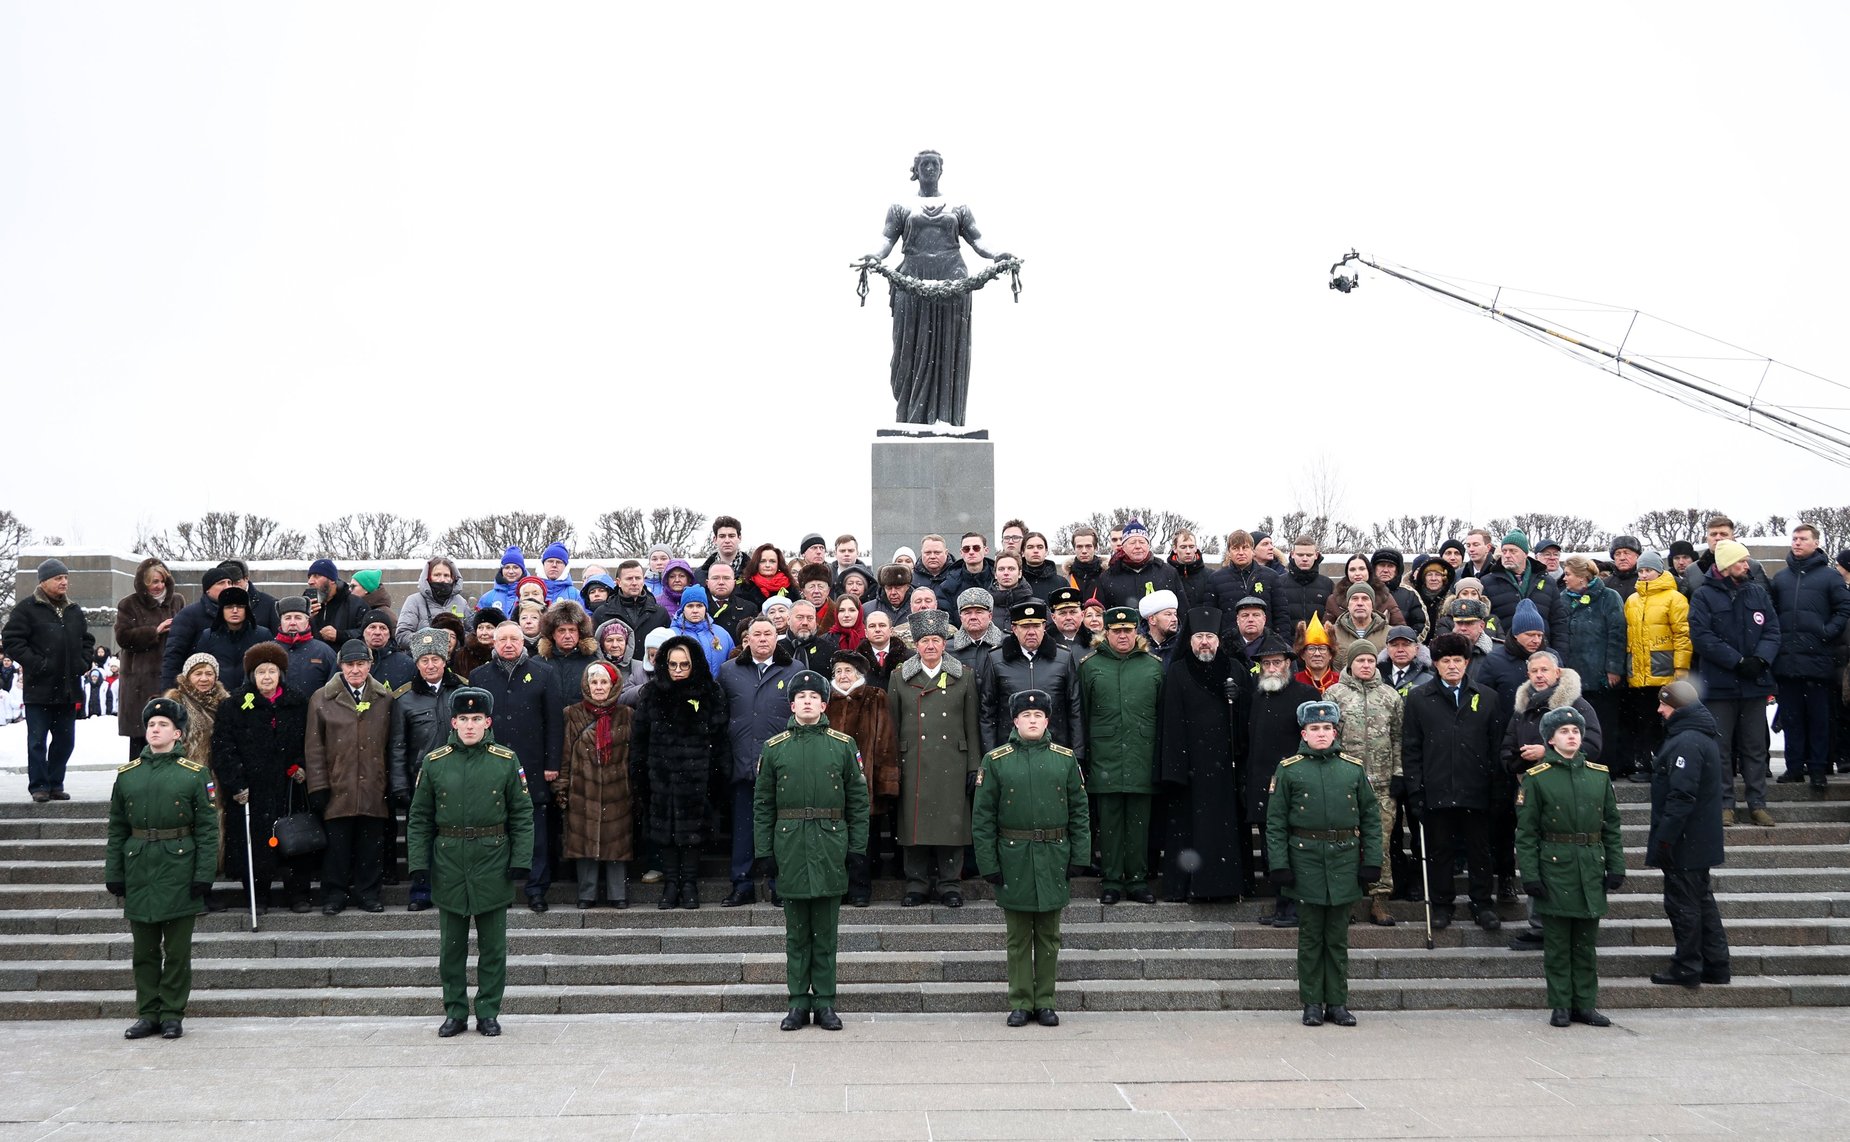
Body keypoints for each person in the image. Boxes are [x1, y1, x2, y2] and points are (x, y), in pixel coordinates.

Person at [406, 686, 535, 1038]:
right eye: (463, 719)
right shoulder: (435, 762)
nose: (470, 726)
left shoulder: (505, 760)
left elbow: (522, 814)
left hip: (493, 859)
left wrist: (521, 859)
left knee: (493, 947)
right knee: (451, 949)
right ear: (453, 722)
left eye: (476, 719)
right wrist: (419, 863)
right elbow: (419, 818)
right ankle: (456, 1011)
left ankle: (488, 1011)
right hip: (449, 860)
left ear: (488, 722)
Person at [753, 670, 870, 1031]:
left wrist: (856, 848)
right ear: (792, 705)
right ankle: (797, 1003)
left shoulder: (843, 745)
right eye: (800, 697)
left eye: (813, 697)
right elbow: (762, 805)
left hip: (830, 843)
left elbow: (858, 802)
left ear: (824, 704)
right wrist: (765, 852)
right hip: (790, 845)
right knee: (796, 934)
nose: (807, 702)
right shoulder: (774, 749)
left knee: (826, 933)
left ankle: (826, 1002)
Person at [973, 689, 1091, 1028]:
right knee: (1018, 936)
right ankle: (1021, 1001)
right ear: (1015, 721)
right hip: (1014, 857)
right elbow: (983, 818)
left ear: (1047, 720)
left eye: (1038, 716)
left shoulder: (1064, 759)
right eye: (1026, 716)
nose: (1033, 721)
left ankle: (1046, 1001)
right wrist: (989, 864)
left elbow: (1080, 812)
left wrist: (1079, 855)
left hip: (1054, 855)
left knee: (1050, 936)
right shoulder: (996, 760)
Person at [104, 696, 218, 1041]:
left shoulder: (195, 775)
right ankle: (147, 1013)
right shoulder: (128, 776)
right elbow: (117, 827)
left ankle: (172, 1013)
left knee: (178, 951)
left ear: (178, 734)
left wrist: (203, 874)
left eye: (163, 725)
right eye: (151, 725)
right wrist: (114, 872)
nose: (155, 729)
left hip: (179, 866)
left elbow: (208, 830)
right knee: (144, 951)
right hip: (140, 867)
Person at [1266, 699, 1382, 1028]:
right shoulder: (1289, 770)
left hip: (1344, 859)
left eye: (1327, 728)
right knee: (1310, 938)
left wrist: (1371, 863)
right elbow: (1275, 824)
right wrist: (1279, 865)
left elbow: (1372, 821)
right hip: (1305, 861)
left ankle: (1338, 1003)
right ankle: (1312, 1003)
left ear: (1335, 732)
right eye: (1314, 729)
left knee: (1338, 938)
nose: (1321, 734)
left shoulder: (1352, 769)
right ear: (1304, 733)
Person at [1515, 705, 1623, 1028]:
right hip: (1556, 866)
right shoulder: (1537, 779)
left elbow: (1612, 827)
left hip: (1589, 864)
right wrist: (1530, 875)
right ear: (1550, 739)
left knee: (1586, 945)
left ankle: (1585, 1004)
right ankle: (1561, 1004)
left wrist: (1616, 865)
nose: (1572, 736)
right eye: (1564, 732)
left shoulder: (1598, 775)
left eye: (1576, 731)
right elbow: (1526, 833)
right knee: (1559, 944)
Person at [1402, 632, 1502, 931]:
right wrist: (1416, 790)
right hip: (1437, 788)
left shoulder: (1486, 697)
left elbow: (1495, 747)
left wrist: (1497, 790)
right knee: (1439, 850)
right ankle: (1442, 904)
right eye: (1445, 660)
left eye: (1458, 660)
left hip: (1476, 788)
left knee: (1479, 851)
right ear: (1435, 664)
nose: (1452, 666)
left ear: (1467, 662)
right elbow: (1412, 747)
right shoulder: (1420, 698)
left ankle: (1482, 903)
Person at [211, 641, 315, 915]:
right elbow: (224, 748)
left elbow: (310, 740)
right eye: (260, 672)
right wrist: (236, 783)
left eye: (271, 671)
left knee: (294, 840)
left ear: (280, 674)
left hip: (289, 786)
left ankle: (298, 893)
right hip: (251, 790)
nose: (266, 677)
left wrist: (301, 766)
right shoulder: (233, 706)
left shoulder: (297, 702)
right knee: (255, 845)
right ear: (251, 676)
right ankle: (258, 895)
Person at [889, 610, 982, 907]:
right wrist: (893, 766)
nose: (930, 646)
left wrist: (973, 766)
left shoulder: (963, 676)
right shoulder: (899, 677)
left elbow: (972, 725)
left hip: (952, 760)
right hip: (912, 759)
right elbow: (893, 723)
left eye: (936, 640)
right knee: (912, 825)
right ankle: (915, 883)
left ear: (945, 644)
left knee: (951, 826)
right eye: (925, 641)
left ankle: (950, 884)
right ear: (916, 645)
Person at [468, 622, 562, 911]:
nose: (508, 644)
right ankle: (500, 891)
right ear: (493, 643)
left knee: (535, 833)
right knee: (496, 835)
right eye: (502, 639)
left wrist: (552, 763)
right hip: (490, 769)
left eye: (514, 639)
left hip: (532, 767)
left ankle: (536, 890)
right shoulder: (479, 676)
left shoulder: (544, 673)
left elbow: (554, 723)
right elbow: (473, 723)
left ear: (524, 642)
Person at [636, 634, 733, 910]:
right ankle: (670, 885)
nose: (678, 670)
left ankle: (689, 883)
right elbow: (640, 739)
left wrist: (716, 776)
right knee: (664, 833)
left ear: (695, 665)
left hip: (698, 778)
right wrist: (642, 774)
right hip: (661, 778)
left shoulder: (710, 693)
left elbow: (720, 737)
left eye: (684, 665)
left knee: (693, 834)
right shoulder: (652, 693)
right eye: (673, 665)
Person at [1688, 539, 1781, 826]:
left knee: (1754, 747)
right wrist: (1737, 661)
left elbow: (1772, 630)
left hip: (1754, 684)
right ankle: (1724, 804)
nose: (1747, 565)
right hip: (1718, 686)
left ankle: (1757, 803)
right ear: (1727, 565)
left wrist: (1760, 660)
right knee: (1720, 748)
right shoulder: (1703, 595)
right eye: (1741, 561)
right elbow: (1702, 637)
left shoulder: (1757, 592)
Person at [1646, 680, 1731, 989]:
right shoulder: (1698, 736)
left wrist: (1665, 838)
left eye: (1664, 705)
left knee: (1683, 904)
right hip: (1698, 840)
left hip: (1685, 841)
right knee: (1701, 901)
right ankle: (1716, 964)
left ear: (1678, 708)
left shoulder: (1686, 741)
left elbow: (1681, 796)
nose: (1659, 710)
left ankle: (1687, 966)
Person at [1077, 605, 1163, 905]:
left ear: (1136, 632)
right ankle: (1112, 881)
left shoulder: (1153, 666)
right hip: (1105, 757)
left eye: (1128, 631)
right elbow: (1083, 716)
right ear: (1106, 633)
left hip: (1142, 754)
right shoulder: (1090, 666)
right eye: (1117, 631)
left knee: (1139, 825)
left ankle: (1138, 881)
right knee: (1110, 825)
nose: (1123, 636)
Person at [305, 641, 394, 914]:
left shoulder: (385, 698)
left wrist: (390, 783)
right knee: (337, 847)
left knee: (371, 845)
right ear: (341, 666)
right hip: (337, 784)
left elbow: (392, 744)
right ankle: (335, 894)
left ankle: (368, 893)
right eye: (349, 665)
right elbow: (314, 746)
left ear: (370, 665)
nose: (355, 670)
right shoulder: (321, 698)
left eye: (361, 664)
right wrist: (318, 785)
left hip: (373, 784)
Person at [1237, 634, 1321, 923]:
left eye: (1277, 662)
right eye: (1266, 664)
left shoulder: (1306, 696)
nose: (1271, 668)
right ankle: (1281, 904)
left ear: (1289, 664)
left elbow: (1315, 742)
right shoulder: (1257, 697)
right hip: (1263, 786)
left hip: (1296, 786)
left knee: (1295, 849)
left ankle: (1297, 906)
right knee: (1272, 851)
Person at [4, 558, 96, 801]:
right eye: (58, 578)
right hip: (39, 689)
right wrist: (38, 663)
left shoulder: (74, 610)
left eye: (65, 577)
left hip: (68, 689)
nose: (64, 582)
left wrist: (83, 663)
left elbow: (87, 640)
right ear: (43, 582)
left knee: (65, 742)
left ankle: (56, 783)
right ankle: (39, 786)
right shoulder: (26, 608)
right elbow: (12, 641)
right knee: (37, 741)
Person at [1326, 639, 1403, 926]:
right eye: (1361, 661)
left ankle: (1379, 900)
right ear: (1350, 664)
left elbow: (1398, 737)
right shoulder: (1334, 694)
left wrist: (1398, 773)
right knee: (1345, 843)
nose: (1367, 665)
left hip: (1382, 785)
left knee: (1379, 844)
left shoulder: (1390, 696)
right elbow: (1328, 737)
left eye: (1371, 661)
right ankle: (1346, 901)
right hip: (1346, 783)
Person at [1769, 523, 1850, 790]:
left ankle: (1817, 770)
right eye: (1794, 539)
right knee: (1791, 718)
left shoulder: (1830, 577)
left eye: (1803, 539)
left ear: (1815, 543)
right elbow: (1771, 615)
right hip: (1788, 660)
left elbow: (1843, 608)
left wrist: (1827, 632)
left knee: (1818, 719)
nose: (1797, 543)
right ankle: (1794, 768)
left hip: (1818, 661)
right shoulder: (1781, 578)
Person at [555, 661, 635, 909]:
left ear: (614, 685)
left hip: (618, 789)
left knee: (616, 843)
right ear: (586, 685)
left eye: (604, 682)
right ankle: (586, 894)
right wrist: (562, 786)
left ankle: (617, 894)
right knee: (584, 842)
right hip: (582, 789)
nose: (599, 687)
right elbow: (566, 753)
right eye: (594, 682)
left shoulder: (627, 714)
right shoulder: (572, 713)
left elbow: (634, 757)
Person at [825, 650, 897, 907]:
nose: (843, 676)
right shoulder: (826, 699)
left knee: (864, 840)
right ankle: (839, 887)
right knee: (835, 839)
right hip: (831, 785)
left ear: (859, 674)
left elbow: (885, 739)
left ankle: (860, 889)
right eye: (839, 671)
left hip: (865, 783)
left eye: (848, 671)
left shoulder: (874, 697)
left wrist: (884, 780)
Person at [1553, 555, 1630, 776]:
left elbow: (1617, 634)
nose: (1564, 578)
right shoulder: (1563, 599)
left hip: (1601, 674)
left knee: (1605, 722)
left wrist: (1614, 668)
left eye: (1567, 574)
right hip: (1573, 674)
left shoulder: (1609, 597)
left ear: (1581, 576)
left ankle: (1608, 767)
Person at [165, 652, 230, 910]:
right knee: (185, 834)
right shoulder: (176, 701)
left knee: (210, 833)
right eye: (198, 673)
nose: (204, 679)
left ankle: (205, 885)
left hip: (215, 781)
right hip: (185, 779)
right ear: (188, 676)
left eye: (209, 673)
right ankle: (185, 890)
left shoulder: (225, 701)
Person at [980, 600, 1084, 757]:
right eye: (1025, 626)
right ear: (1014, 629)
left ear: (1044, 627)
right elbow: (987, 712)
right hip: (1010, 752)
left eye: (1036, 626)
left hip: (1055, 750)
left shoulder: (1063, 658)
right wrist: (991, 755)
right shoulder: (996, 659)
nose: (1031, 632)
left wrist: (1078, 754)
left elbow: (1074, 709)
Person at [1624, 552, 1691, 782]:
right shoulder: (1632, 600)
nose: (1644, 575)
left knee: (1667, 724)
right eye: (1641, 571)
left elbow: (1682, 636)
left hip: (1664, 673)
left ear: (1659, 571)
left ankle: (1666, 765)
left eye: (1648, 570)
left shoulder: (1674, 598)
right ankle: (1648, 765)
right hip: (1640, 674)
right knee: (1645, 722)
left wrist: (1681, 670)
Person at [114, 557, 184, 759]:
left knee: (171, 733)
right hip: (139, 682)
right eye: (153, 582)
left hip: (169, 676)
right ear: (143, 583)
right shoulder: (129, 604)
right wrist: (155, 631)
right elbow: (123, 637)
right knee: (141, 736)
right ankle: (137, 784)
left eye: (162, 581)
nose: (159, 586)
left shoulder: (177, 601)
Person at [1095, 519, 1184, 609]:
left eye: (1142, 542)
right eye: (1132, 542)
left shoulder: (1168, 572)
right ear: (1123, 547)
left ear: (1148, 545)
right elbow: (1101, 613)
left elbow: (1182, 609)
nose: (1138, 546)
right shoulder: (1108, 577)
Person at [396, 556, 474, 647]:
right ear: (428, 577)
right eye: (437, 575)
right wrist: (429, 640)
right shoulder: (414, 601)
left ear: (452, 578)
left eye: (446, 575)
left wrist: (456, 640)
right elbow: (402, 635)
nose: (442, 580)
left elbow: (473, 634)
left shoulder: (461, 602)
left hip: (455, 659)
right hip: (424, 658)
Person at [273, 596, 337, 694]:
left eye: (298, 618)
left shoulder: (324, 652)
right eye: (287, 618)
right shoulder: (266, 652)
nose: (293, 623)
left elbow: (335, 690)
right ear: (281, 621)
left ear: (307, 620)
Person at [596, 560, 671, 645]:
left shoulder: (660, 613)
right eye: (629, 579)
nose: (634, 583)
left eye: (638, 578)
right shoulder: (602, 613)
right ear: (618, 582)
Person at [1274, 536, 1336, 635]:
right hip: (1286, 645)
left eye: (1309, 555)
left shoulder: (1327, 584)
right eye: (1300, 555)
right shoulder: (1279, 583)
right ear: (1292, 554)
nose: (1305, 559)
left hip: (1318, 645)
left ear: (1316, 555)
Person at [305, 558, 370, 649]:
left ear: (332, 580)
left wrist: (340, 635)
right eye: (309, 577)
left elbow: (368, 634)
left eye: (316, 576)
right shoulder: (305, 605)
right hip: (314, 660)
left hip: (345, 660)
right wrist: (305, 619)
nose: (310, 581)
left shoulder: (356, 604)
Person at [949, 587, 1004, 674]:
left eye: (979, 612)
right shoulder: (948, 648)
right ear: (961, 618)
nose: (973, 617)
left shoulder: (1005, 644)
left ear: (990, 616)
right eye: (967, 612)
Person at [1294, 614, 1339, 693]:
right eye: (1311, 648)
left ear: (1331, 654)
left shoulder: (1340, 681)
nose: (1317, 654)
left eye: (1322, 648)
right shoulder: (1294, 682)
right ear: (1302, 654)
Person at [698, 515, 747, 584]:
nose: (727, 540)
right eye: (722, 536)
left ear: (739, 538)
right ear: (715, 540)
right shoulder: (700, 574)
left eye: (731, 536)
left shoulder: (753, 572)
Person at [478, 548, 527, 614]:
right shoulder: (487, 598)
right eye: (507, 567)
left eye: (515, 567)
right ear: (501, 570)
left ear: (523, 570)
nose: (511, 571)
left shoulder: (532, 594)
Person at [1139, 590, 1182, 665]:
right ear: (1152, 620)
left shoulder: (1182, 645)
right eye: (1168, 614)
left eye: (1175, 614)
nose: (1175, 619)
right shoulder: (1137, 645)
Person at [1065, 527, 1106, 597]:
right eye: (1079, 547)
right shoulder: (1065, 580)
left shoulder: (1106, 577)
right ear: (1074, 548)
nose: (1084, 551)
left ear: (1095, 547)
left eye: (1088, 546)